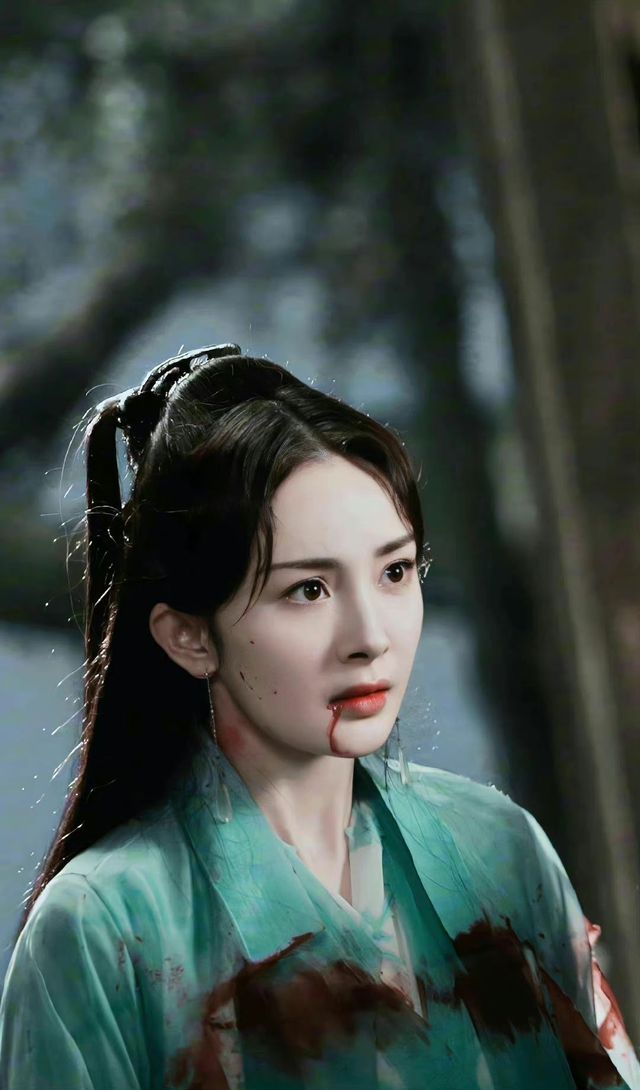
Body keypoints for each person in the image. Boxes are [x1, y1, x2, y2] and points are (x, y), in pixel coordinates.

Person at [0, 343, 638, 1090]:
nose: (370, 636)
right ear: (189, 636)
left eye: (395, 571)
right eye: (308, 590)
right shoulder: (103, 930)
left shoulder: (501, 851)